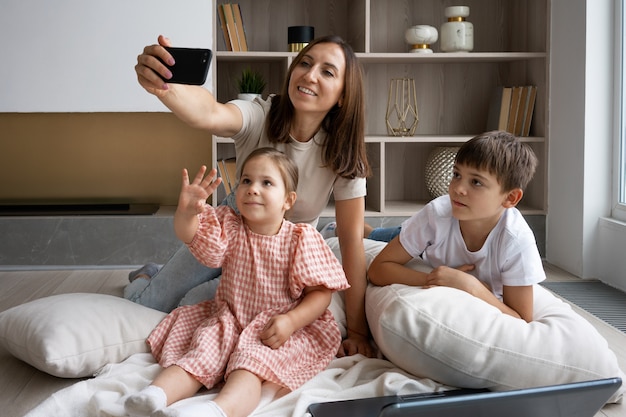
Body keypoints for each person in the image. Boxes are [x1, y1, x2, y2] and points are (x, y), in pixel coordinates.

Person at [128, 34, 374, 357]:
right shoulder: (263, 113)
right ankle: (150, 274)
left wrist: (357, 331)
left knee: (192, 307)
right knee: (146, 306)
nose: (310, 75)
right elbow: (210, 113)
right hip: (234, 225)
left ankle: (173, 276)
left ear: (343, 95)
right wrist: (165, 87)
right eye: (305, 63)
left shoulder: (342, 152)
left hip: (283, 251)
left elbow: (351, 241)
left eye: (328, 72)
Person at [124, 148, 350, 417]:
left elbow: (321, 294)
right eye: (246, 180)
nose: (253, 189)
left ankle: (216, 410)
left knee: (250, 366)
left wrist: (292, 321)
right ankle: (154, 395)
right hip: (229, 318)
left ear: (288, 200)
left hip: (274, 327)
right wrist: (186, 212)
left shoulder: (300, 239)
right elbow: (193, 237)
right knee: (200, 354)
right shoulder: (229, 226)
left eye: (266, 183)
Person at [368, 131, 545, 322]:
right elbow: (377, 270)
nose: (457, 188)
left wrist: (471, 286)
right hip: (425, 244)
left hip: (432, 243)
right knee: (378, 235)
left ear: (510, 198)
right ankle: (353, 229)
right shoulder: (437, 213)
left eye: (476, 182)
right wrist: (434, 279)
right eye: (457, 174)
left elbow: (521, 319)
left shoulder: (516, 241)